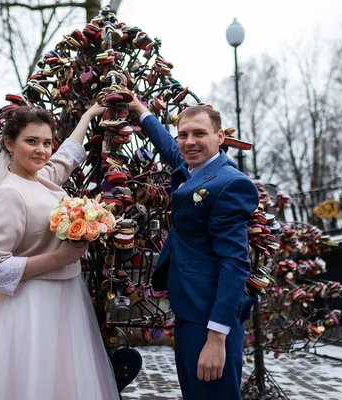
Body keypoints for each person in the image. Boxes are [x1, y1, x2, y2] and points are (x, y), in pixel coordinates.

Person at [0, 103, 120, 400]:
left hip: (67, 301)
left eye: (46, 142)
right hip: (30, 308)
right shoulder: (9, 193)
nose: (42, 150)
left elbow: (66, 157)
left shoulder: (42, 179)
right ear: (9, 143)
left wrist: (86, 117)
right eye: (31, 141)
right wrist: (57, 258)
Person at [129, 97, 258, 400]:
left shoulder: (229, 184)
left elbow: (235, 263)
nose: (190, 142)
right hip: (189, 309)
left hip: (210, 317)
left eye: (199, 133)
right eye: (183, 134)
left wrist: (216, 339)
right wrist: (141, 111)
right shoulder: (196, 169)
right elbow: (171, 150)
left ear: (220, 137)